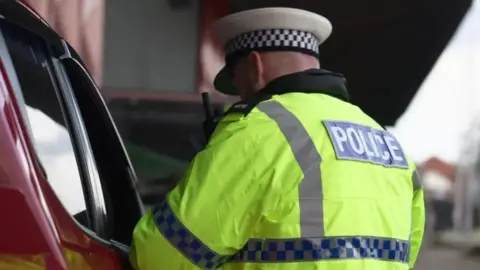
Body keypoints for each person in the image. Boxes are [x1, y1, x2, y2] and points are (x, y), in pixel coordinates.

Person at [130, 7, 425, 270]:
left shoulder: (257, 131)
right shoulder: (388, 143)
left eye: (237, 82)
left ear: (255, 66)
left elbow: (160, 256)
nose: (240, 95)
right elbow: (406, 253)